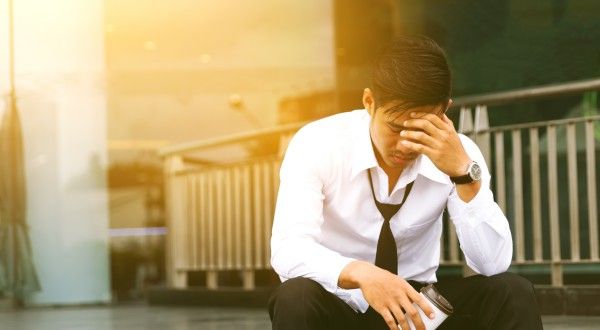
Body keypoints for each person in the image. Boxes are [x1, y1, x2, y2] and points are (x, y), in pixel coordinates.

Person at [268, 36, 542, 330]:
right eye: (396, 127)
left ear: (444, 110)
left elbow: (493, 265)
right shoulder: (318, 143)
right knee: (295, 297)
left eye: (422, 129)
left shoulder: (460, 155)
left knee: (512, 292)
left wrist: (464, 176)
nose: (406, 144)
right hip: (343, 304)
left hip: (421, 312)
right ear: (369, 102)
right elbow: (289, 248)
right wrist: (363, 274)